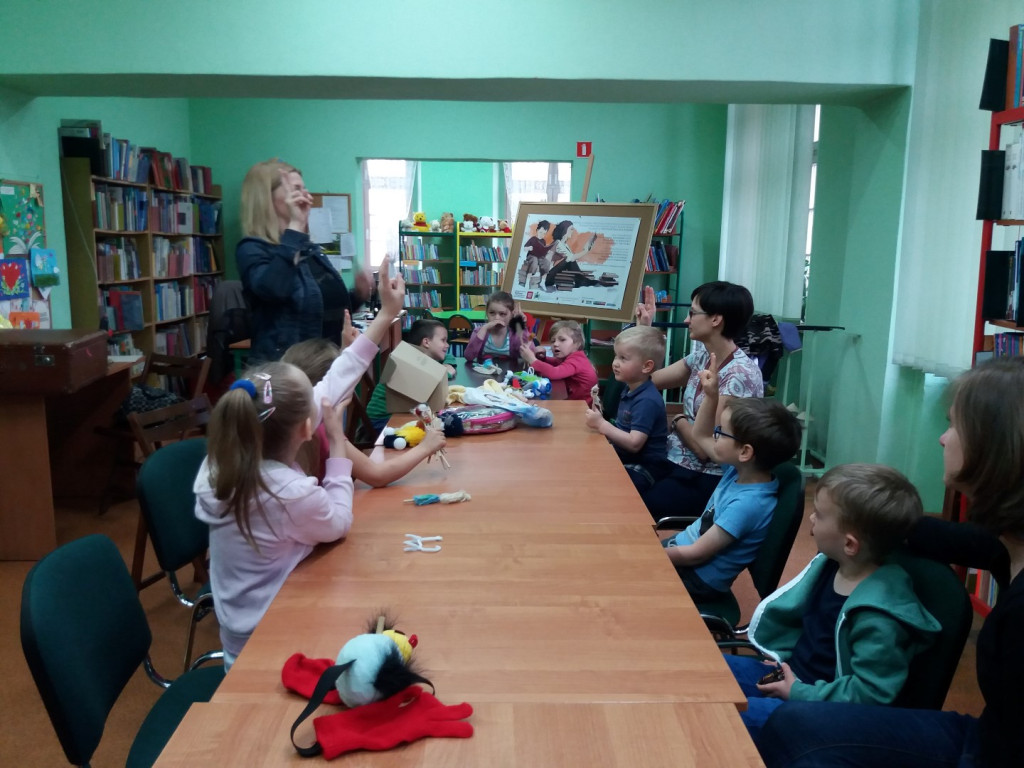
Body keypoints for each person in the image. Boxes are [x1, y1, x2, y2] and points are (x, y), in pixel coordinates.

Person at [758, 357, 1024, 768]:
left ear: (995, 447)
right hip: (992, 735)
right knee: (789, 726)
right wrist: (868, 516)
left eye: (954, 425)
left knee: (790, 729)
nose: (943, 439)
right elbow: (943, 536)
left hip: (997, 753)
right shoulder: (1004, 544)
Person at [193, 273, 405, 670]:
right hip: (272, 642)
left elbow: (338, 376)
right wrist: (338, 447)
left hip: (242, 631)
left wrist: (384, 316)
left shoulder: (219, 464)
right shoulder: (290, 493)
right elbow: (339, 522)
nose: (322, 393)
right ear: (308, 429)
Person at [724, 463, 939, 741]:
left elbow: (869, 695)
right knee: (708, 673)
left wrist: (797, 692)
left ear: (850, 544)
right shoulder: (831, 565)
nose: (811, 518)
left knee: (724, 718)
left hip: (819, 709)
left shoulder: (878, 616)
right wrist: (783, 660)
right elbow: (810, 630)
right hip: (790, 676)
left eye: (820, 514)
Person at [661, 352, 802, 603]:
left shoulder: (748, 504)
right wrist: (711, 396)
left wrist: (649, 556)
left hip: (697, 578)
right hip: (682, 550)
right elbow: (701, 435)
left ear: (745, 452)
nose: (715, 436)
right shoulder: (738, 470)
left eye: (722, 433)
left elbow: (696, 554)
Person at [638, 281, 764, 521]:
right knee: (620, 481)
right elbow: (645, 381)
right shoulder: (702, 357)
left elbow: (708, 448)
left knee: (634, 504)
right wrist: (644, 330)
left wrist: (678, 421)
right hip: (674, 460)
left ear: (716, 319)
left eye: (693, 313)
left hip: (706, 477)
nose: (687, 320)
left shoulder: (740, 375)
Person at [236, 159, 372, 363]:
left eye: (304, 188)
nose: (306, 195)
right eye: (296, 189)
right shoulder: (252, 248)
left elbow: (323, 309)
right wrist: (295, 229)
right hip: (286, 370)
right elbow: (274, 290)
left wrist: (358, 295)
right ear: (267, 199)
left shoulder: (308, 250)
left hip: (324, 364)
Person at [282, 337, 447, 488]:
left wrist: (347, 348)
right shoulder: (322, 429)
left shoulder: (281, 421)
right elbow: (377, 475)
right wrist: (425, 447)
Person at [585, 325, 669, 492]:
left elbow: (634, 443)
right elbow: (623, 426)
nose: (615, 363)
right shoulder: (630, 389)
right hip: (626, 457)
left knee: (609, 485)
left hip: (645, 466)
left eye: (623, 358)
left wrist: (602, 424)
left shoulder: (647, 400)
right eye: (616, 356)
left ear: (646, 366)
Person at [363, 318, 457, 432]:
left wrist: (447, 364)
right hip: (382, 421)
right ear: (426, 342)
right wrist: (446, 372)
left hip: (398, 414)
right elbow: (435, 379)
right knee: (440, 428)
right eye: (443, 340)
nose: (447, 345)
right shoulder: (409, 362)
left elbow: (449, 356)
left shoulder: (420, 355)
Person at [519, 319, 598, 405]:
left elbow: (554, 373)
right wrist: (543, 358)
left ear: (577, 343)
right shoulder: (573, 356)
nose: (555, 344)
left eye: (562, 340)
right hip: (577, 402)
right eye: (553, 341)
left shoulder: (576, 360)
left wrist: (532, 359)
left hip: (582, 407)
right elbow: (557, 363)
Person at [463, 290, 531, 368]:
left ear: (511, 315)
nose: (497, 318)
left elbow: (531, 353)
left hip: (508, 372)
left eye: (502, 314)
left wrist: (521, 327)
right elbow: (468, 356)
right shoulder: (479, 331)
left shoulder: (514, 334)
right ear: (487, 313)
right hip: (484, 373)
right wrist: (484, 329)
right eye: (492, 313)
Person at [543, 220, 596, 291]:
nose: (573, 230)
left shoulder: (564, 245)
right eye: (571, 229)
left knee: (569, 260)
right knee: (569, 260)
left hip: (555, 274)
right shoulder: (557, 243)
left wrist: (586, 249)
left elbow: (572, 258)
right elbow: (571, 258)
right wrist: (585, 250)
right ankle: (582, 281)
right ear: (565, 230)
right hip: (548, 277)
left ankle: (581, 280)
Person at [516, 219, 552, 288]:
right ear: (537, 230)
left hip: (540, 257)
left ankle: (543, 282)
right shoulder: (533, 239)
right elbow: (525, 248)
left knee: (547, 262)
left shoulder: (543, 241)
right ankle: (527, 281)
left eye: (544, 233)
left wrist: (547, 251)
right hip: (531, 256)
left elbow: (543, 250)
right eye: (541, 232)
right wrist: (529, 248)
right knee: (534, 261)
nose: (542, 235)